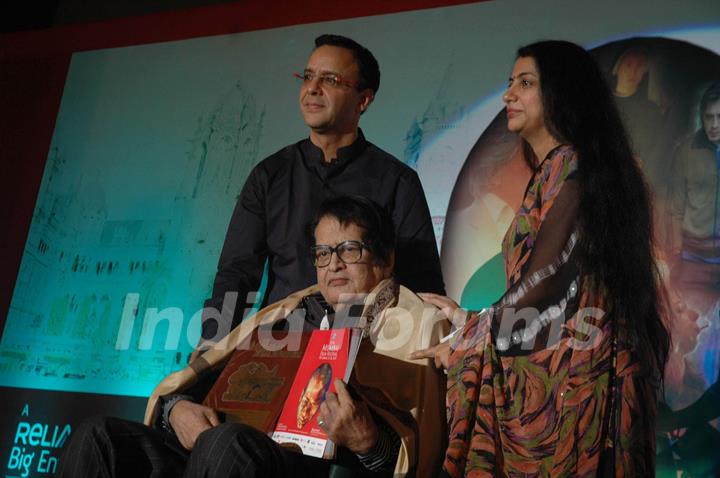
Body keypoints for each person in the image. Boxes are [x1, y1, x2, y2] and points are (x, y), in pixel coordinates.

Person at [412, 40, 670, 476]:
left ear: (562, 93)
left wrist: (466, 338)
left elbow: (548, 276)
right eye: (510, 83)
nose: (508, 94)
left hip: (584, 383)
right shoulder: (553, 172)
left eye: (525, 83)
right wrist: (468, 321)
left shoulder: (577, 167)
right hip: (566, 375)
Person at [57, 195, 447, 478]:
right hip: (220, 448)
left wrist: (367, 442)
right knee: (98, 438)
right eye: (323, 253)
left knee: (225, 445)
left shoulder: (416, 320)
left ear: (386, 259)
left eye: (348, 249)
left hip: (297, 465)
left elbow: (420, 454)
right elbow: (200, 381)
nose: (333, 264)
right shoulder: (290, 311)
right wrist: (176, 408)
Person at [199, 34, 444, 349]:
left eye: (330, 79)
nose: (312, 89)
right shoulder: (269, 175)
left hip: (368, 353)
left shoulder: (397, 181)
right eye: (308, 76)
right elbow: (236, 273)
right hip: (280, 347)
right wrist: (211, 347)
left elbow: (423, 286)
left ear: (364, 99)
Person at [668, 81, 720, 312]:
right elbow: (675, 210)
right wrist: (676, 255)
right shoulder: (686, 151)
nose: (714, 125)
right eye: (709, 117)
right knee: (691, 332)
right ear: (701, 115)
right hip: (693, 261)